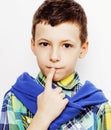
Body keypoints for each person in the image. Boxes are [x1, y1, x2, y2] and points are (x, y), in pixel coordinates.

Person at [0, 0, 111, 129]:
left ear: (83, 48)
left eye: (66, 45)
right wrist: (42, 117)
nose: (54, 57)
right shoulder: (14, 99)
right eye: (45, 44)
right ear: (33, 45)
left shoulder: (98, 107)